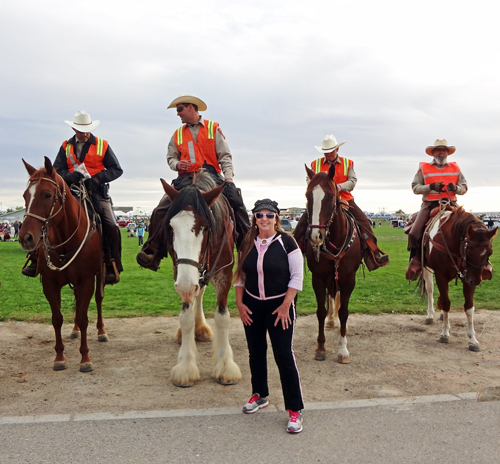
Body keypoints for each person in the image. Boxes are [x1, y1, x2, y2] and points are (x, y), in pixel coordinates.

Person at [137, 94, 250, 271]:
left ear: (191, 107)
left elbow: (225, 156)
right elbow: (170, 157)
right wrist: (176, 164)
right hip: (185, 178)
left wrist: (228, 178)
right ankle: (153, 252)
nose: (178, 114)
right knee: (160, 209)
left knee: (236, 203)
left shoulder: (214, 128)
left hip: (212, 176)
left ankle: (248, 247)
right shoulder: (177, 134)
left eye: (180, 109)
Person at [23, 110, 124, 283]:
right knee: (48, 216)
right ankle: (34, 257)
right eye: (80, 130)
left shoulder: (102, 145)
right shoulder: (65, 146)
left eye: (87, 130)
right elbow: (56, 171)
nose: (84, 133)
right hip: (69, 192)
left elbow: (116, 170)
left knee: (111, 225)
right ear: (73, 130)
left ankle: (110, 261)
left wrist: (97, 179)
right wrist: (70, 177)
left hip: (96, 192)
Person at [234, 199, 305, 434]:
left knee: (283, 355)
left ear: (276, 218)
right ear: (254, 218)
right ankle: (260, 394)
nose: (264, 219)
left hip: (279, 307)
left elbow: (297, 277)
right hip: (253, 305)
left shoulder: (288, 242)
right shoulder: (247, 242)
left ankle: (294, 410)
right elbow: (240, 277)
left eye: (269, 215)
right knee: (255, 352)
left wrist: (286, 305)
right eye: (259, 215)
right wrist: (240, 304)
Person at [294, 135, 389, 271]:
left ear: (337, 149)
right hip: (322, 202)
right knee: (302, 224)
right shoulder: (315, 164)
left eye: (331, 150)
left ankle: (372, 255)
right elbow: (309, 181)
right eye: (326, 151)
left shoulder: (348, 163)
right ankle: (293, 253)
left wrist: (339, 187)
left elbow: (352, 181)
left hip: (345, 199)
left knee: (364, 223)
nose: (329, 153)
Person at [405, 139, 468, 281]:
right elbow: (415, 187)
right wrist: (430, 187)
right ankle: (416, 260)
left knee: (471, 227)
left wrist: (456, 188)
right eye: (438, 150)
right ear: (433, 153)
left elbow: (464, 187)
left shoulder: (455, 168)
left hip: (451, 204)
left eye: (444, 150)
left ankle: (478, 263)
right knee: (414, 232)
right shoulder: (424, 167)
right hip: (430, 204)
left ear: (447, 152)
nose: (441, 153)